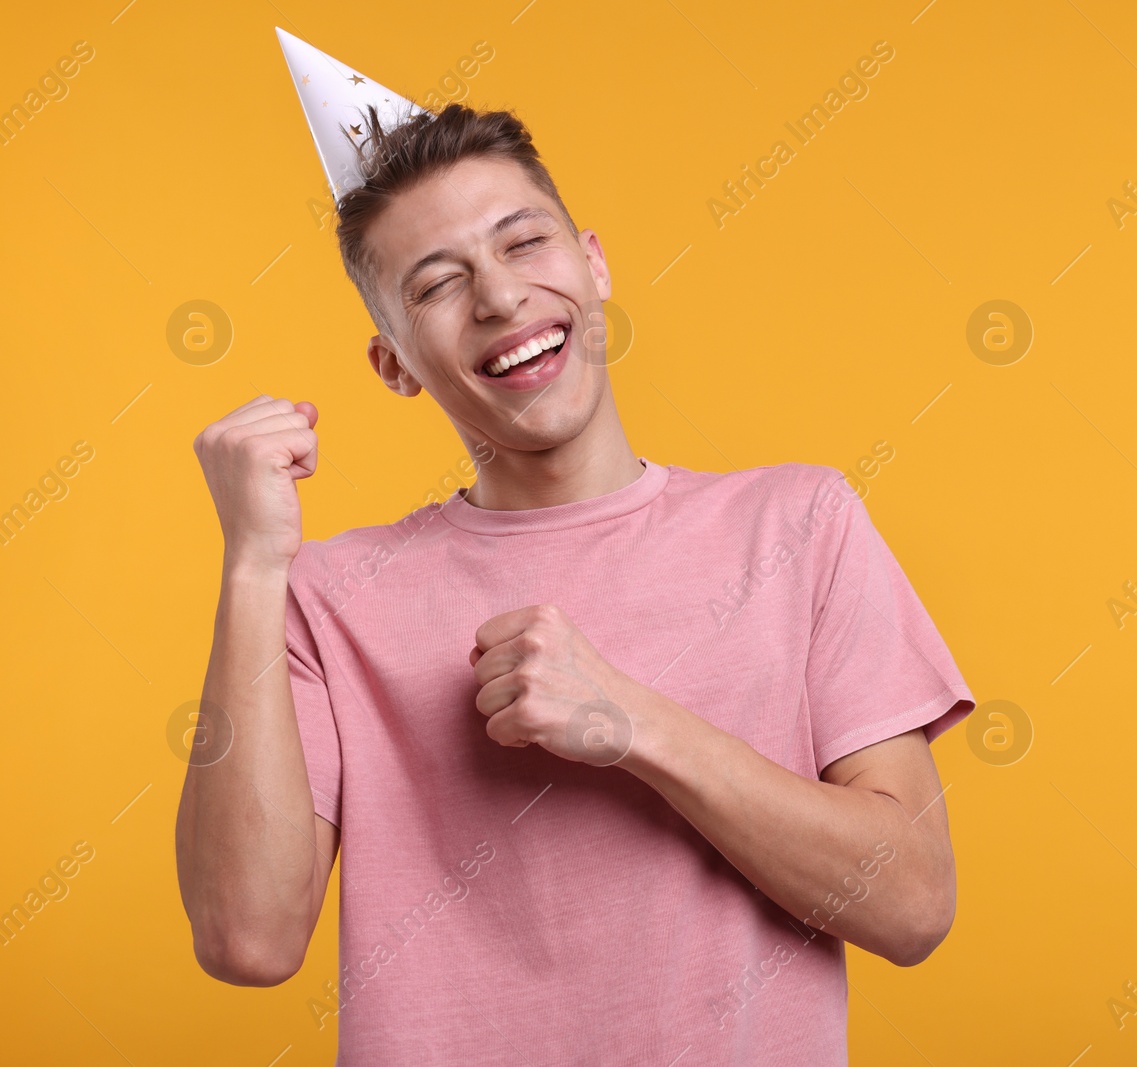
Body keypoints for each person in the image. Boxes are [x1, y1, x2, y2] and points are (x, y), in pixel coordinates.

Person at [174, 28, 974, 1066]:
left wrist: (634, 722)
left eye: (522, 242)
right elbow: (247, 937)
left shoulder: (800, 525)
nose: (500, 297)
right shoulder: (329, 595)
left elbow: (910, 902)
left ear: (592, 262)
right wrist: (250, 564)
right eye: (434, 284)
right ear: (394, 364)